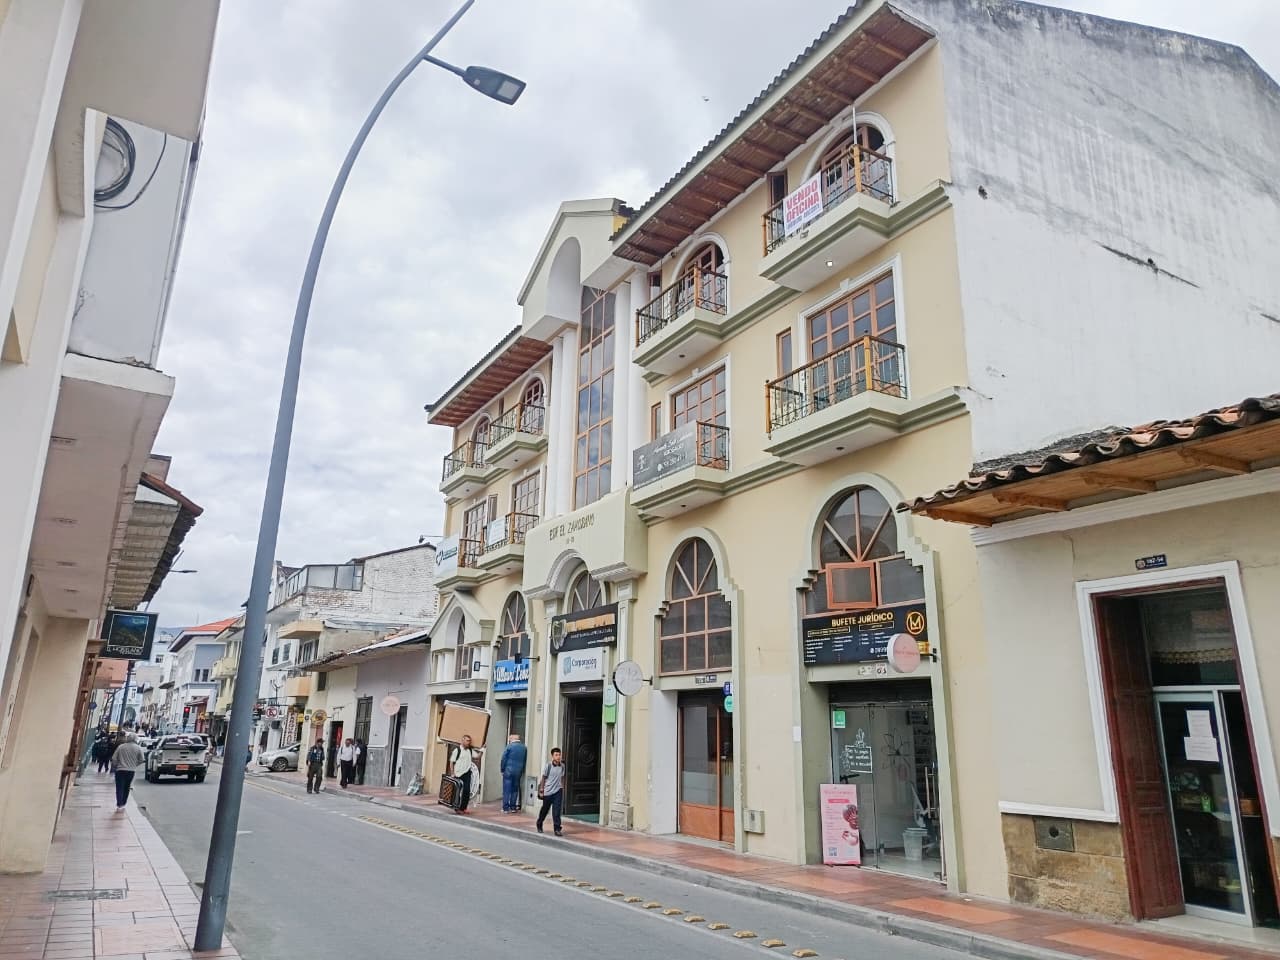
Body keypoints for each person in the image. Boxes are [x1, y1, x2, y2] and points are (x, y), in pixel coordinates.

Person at [110, 732, 147, 810]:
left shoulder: (121, 747)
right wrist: (135, 764)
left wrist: (116, 765)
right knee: (127, 787)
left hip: (120, 770)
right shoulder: (138, 748)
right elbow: (142, 759)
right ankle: (123, 802)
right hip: (131, 770)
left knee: (119, 787)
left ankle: (119, 803)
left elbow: (114, 758)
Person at [447, 734, 480, 814]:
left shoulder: (470, 750)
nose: (468, 742)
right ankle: (457, 807)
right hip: (458, 773)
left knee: (466, 791)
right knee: (457, 792)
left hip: (467, 773)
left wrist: (482, 750)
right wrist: (452, 773)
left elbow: (477, 756)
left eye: (469, 741)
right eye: (467, 741)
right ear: (463, 740)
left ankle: (463, 808)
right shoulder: (457, 750)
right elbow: (451, 762)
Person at [535, 747, 565, 836]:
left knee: (556, 811)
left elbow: (562, 777)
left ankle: (557, 828)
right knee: (545, 809)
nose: (558, 757)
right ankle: (539, 823)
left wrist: (562, 787)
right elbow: (544, 777)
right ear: (552, 756)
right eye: (556, 755)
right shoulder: (548, 766)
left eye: (559, 755)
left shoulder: (562, 766)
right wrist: (541, 790)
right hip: (548, 791)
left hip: (558, 791)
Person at [500, 733, 527, 813]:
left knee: (506, 789)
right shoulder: (524, 748)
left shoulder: (509, 746)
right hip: (518, 771)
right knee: (515, 789)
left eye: (510, 739)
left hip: (508, 770)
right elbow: (524, 760)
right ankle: (513, 807)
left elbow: (504, 758)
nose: (509, 740)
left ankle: (505, 808)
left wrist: (502, 769)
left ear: (512, 739)